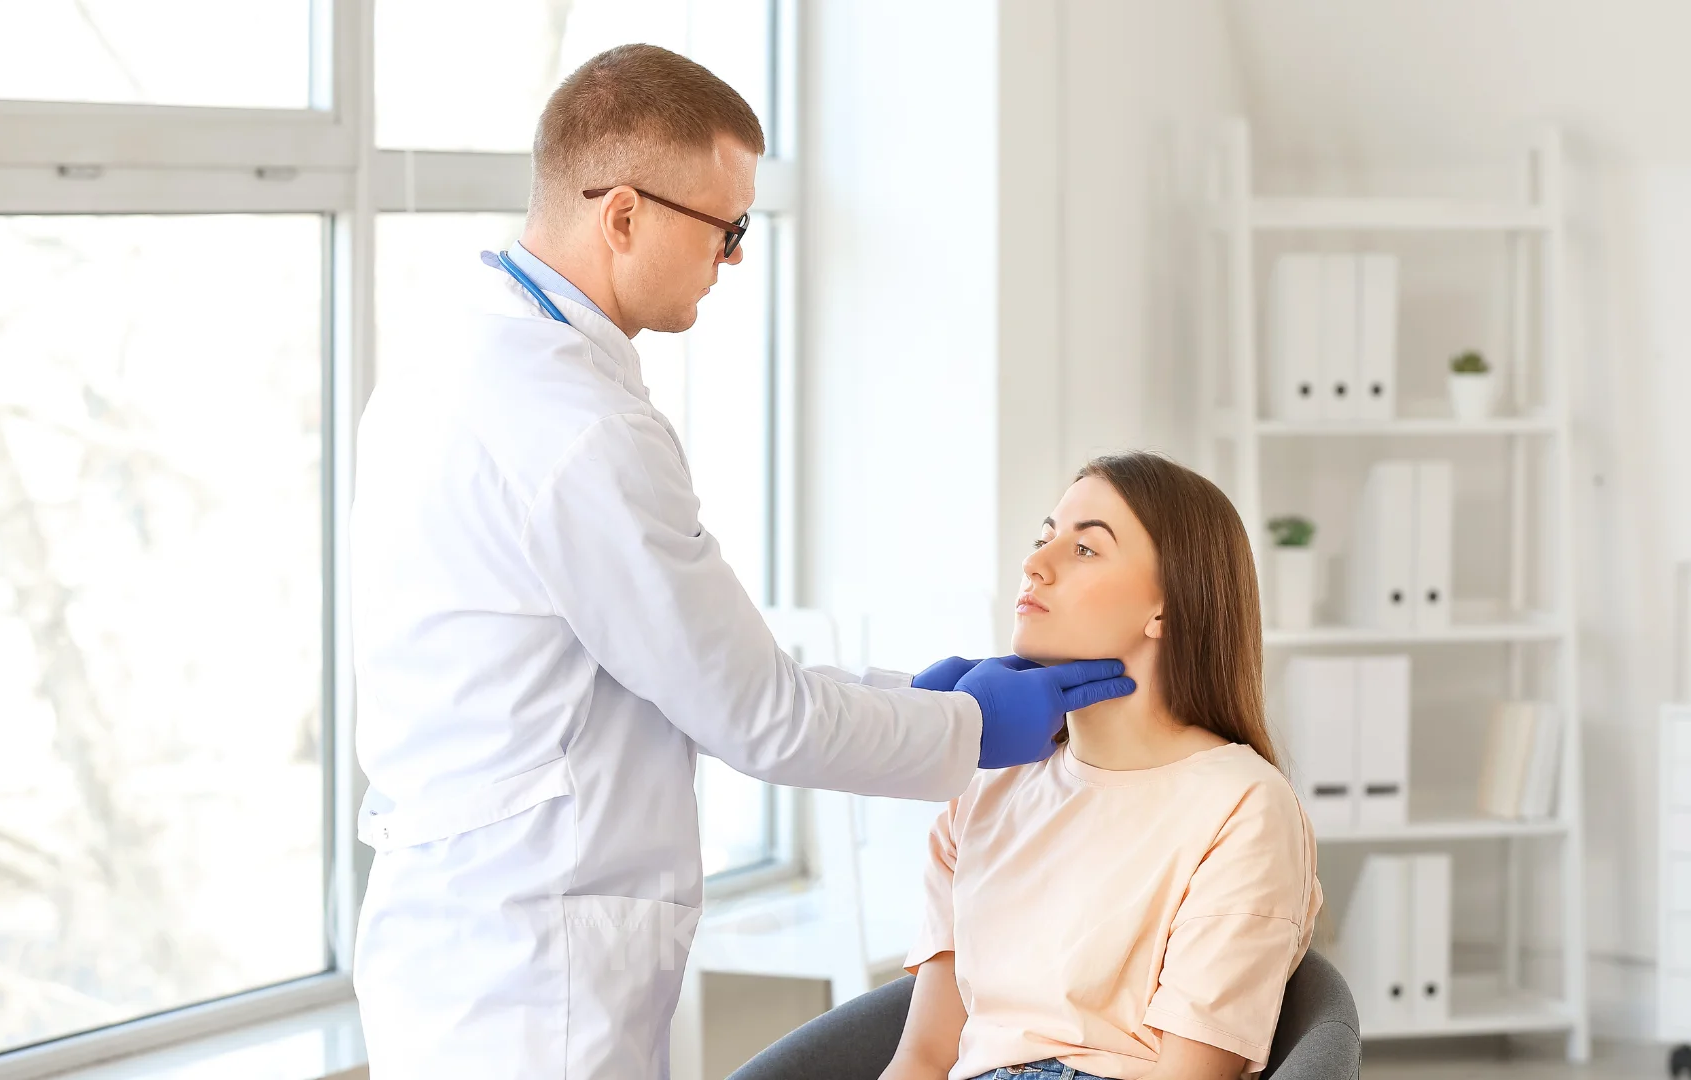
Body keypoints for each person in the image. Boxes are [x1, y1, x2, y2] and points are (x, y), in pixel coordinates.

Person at [347, 45, 1134, 1079]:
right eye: (725, 229)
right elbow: (755, 715)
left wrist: (919, 696)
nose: (735, 260)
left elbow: (689, 674)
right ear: (622, 214)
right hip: (534, 981)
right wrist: (973, 725)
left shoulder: (461, 358)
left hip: (466, 944)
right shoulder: (577, 430)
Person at [877, 452, 1324, 1080]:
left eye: (1085, 549)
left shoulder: (1242, 806)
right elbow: (922, 1059)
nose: (1034, 564)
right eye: (1043, 538)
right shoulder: (983, 786)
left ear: (1167, 608)